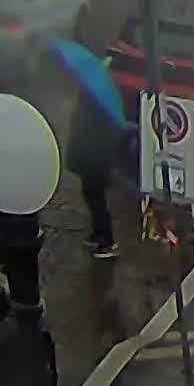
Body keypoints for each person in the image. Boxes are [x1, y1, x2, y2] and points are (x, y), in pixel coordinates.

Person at [58, 66, 124, 261]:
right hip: (92, 156)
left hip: (97, 158)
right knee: (90, 194)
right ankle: (98, 232)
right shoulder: (91, 95)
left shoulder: (98, 99)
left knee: (96, 198)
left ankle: (107, 239)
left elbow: (96, 128)